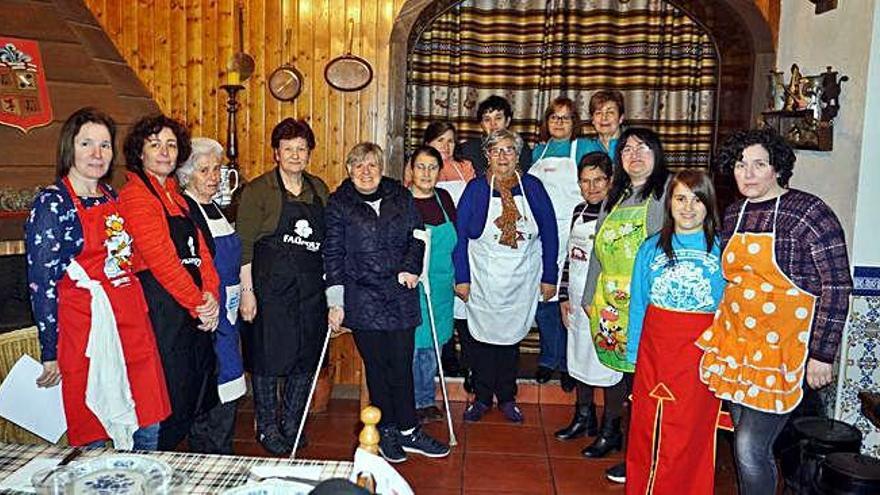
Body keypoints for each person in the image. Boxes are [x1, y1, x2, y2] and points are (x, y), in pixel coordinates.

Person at [696, 128, 853, 495]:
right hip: (738, 345)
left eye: (759, 164)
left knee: (751, 447)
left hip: (785, 352)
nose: (748, 174)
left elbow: (837, 285)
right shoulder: (734, 213)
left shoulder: (809, 212)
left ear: (777, 169)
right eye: (740, 164)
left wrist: (822, 354)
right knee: (742, 440)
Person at [25, 107, 170, 450]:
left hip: (131, 321)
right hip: (86, 330)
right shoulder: (51, 204)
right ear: (69, 148)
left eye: (105, 145)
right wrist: (50, 351)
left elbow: (124, 257)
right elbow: (41, 284)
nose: (97, 154)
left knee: (148, 422)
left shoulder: (111, 196)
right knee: (94, 428)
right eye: (87, 143)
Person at [324, 142, 450, 463]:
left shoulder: (400, 196)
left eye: (372, 165)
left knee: (402, 365)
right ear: (349, 170)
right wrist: (336, 302)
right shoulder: (339, 203)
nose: (366, 172)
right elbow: (333, 254)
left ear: (382, 168)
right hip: (362, 298)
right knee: (378, 369)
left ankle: (409, 430)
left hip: (399, 294)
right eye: (359, 166)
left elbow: (417, 235)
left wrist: (411, 267)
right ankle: (388, 432)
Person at [120, 114, 220, 451]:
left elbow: (202, 251)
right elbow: (162, 261)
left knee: (189, 390)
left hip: (189, 312)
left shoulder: (176, 196)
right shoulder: (136, 196)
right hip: (160, 313)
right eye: (155, 144)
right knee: (164, 394)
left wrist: (211, 297)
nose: (164, 151)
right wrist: (198, 304)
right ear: (140, 152)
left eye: (171, 145)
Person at [625, 170, 727, 494]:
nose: (688, 207)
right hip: (655, 353)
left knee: (689, 432)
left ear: (709, 205)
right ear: (669, 203)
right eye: (680, 198)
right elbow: (639, 304)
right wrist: (632, 354)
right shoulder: (650, 248)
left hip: (700, 356)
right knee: (647, 431)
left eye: (698, 200)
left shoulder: (723, 252)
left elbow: (729, 311)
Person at [236, 118, 331, 455]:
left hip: (309, 293)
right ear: (276, 153)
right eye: (288, 148)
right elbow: (244, 245)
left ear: (309, 154)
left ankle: (292, 423)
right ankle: (268, 427)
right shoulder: (259, 190)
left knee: (304, 359)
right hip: (268, 292)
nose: (295, 155)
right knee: (266, 359)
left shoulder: (319, 189)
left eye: (301, 149)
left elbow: (329, 242)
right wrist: (247, 293)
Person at [581, 127, 669, 483]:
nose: (634, 155)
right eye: (627, 149)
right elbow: (597, 253)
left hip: (648, 305)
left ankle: (646, 455)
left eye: (643, 148)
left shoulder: (666, 195)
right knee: (622, 374)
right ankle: (619, 439)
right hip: (611, 304)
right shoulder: (614, 197)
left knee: (646, 385)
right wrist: (589, 297)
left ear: (657, 154)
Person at [453, 129, 558, 423]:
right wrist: (462, 277)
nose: (503, 156)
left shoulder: (533, 187)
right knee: (483, 341)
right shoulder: (475, 189)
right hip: (484, 276)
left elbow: (550, 233)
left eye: (509, 150)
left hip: (522, 277)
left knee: (511, 340)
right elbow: (460, 237)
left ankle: (508, 397)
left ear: (517, 154)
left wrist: (550, 276)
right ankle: (483, 398)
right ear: (487, 154)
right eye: (496, 150)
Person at [176, 137, 246, 454]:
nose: (213, 177)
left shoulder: (215, 207)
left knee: (230, 374)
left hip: (229, 309)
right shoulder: (186, 212)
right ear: (187, 175)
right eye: (204, 170)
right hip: (207, 310)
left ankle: (221, 449)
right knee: (212, 381)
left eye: (216, 169)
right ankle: (210, 454)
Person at [553, 152, 623, 448]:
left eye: (598, 180)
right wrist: (565, 295)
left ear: (610, 182)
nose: (591, 187)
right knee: (579, 355)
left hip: (608, 304)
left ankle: (611, 428)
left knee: (609, 364)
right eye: (585, 181)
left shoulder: (619, 213)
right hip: (579, 299)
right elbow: (571, 258)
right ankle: (584, 417)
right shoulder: (578, 211)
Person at [529, 96, 594, 387]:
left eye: (566, 118)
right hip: (541, 236)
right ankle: (547, 358)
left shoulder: (583, 148)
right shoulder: (537, 153)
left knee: (571, 301)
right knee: (545, 298)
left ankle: (569, 364)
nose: (559, 122)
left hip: (575, 235)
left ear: (574, 123)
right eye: (554, 117)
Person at [406, 145, 458, 423]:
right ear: (410, 170)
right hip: (410, 287)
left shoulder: (445, 199)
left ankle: (425, 400)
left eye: (432, 167)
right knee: (413, 347)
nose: (426, 173)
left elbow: (458, 243)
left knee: (433, 346)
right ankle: (411, 402)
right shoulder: (400, 201)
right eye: (420, 167)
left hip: (440, 287)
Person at [423, 121, 476, 388]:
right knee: (441, 307)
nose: (446, 146)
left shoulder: (465, 168)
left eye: (451, 141)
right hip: (435, 251)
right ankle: (446, 357)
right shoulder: (422, 171)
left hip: (464, 243)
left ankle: (470, 364)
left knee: (465, 307)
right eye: (440, 140)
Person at [457, 95, 533, 175]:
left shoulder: (521, 148)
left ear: (507, 121)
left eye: (498, 118)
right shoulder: (467, 149)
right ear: (481, 124)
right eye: (487, 119)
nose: (493, 124)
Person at [582, 90, 625, 157]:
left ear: (621, 118)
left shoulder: (631, 147)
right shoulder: (585, 148)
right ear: (592, 119)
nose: (604, 118)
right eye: (598, 113)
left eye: (610, 112)